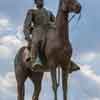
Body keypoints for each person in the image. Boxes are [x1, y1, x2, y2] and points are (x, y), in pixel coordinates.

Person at [23, 0, 55, 69]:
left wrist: (53, 24)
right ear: (35, 2)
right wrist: (27, 36)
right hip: (37, 31)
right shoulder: (32, 11)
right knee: (36, 41)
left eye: (42, 0)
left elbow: (56, 23)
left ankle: (67, 61)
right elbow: (26, 25)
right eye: (39, 0)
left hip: (49, 32)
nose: (41, 1)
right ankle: (35, 60)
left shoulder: (49, 13)